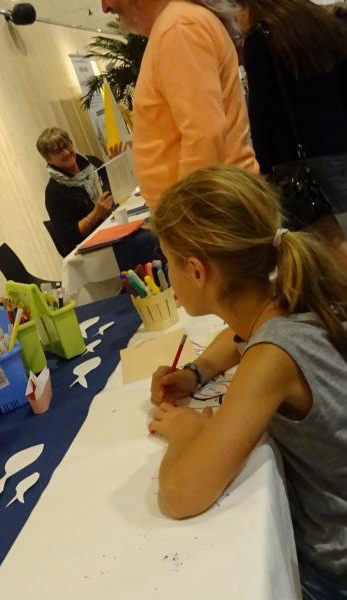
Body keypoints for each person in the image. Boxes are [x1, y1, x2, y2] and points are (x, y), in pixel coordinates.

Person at [147, 166, 347, 599]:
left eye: (168, 263)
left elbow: (182, 495)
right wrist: (197, 373)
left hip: (335, 567)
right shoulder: (286, 297)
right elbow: (238, 337)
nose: (169, 279)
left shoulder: (271, 358)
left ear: (197, 272)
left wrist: (187, 434)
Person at [199, 0, 347, 264]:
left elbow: (263, 109)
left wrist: (264, 168)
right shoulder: (320, 22)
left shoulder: (262, 38)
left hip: (299, 158)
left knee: (327, 243)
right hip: (338, 144)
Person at [100, 0, 258, 210]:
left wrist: (186, 220)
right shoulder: (177, 23)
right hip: (218, 210)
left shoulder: (178, 27)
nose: (105, 7)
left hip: (215, 218)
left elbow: (203, 135)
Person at [36, 128, 114, 256]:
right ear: (49, 160)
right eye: (58, 151)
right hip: (91, 249)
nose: (66, 152)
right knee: (144, 241)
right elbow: (69, 239)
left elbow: (115, 191)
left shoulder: (93, 162)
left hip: (114, 227)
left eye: (66, 145)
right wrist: (96, 214)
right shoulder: (54, 193)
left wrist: (116, 166)